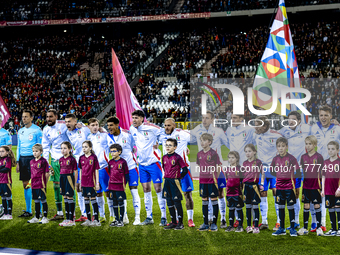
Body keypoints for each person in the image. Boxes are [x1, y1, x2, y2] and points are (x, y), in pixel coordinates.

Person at [191, 110, 229, 228]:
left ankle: (222, 218)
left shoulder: (218, 131)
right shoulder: (197, 130)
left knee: (220, 193)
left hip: (217, 168)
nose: (204, 120)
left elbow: (228, 144)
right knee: (206, 196)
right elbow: (187, 139)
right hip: (204, 171)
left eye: (207, 118)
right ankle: (208, 220)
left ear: (212, 119)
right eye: (203, 117)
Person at [129, 110, 167, 226]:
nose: (134, 120)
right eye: (133, 118)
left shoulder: (150, 127)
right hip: (142, 164)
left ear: (142, 118)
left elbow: (164, 132)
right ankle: (149, 217)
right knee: (146, 190)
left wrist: (159, 142)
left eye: (136, 118)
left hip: (154, 163)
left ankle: (163, 217)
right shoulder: (132, 129)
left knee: (158, 189)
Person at [159, 118, 195, 227]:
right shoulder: (161, 135)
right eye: (165, 125)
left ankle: (190, 219)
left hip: (184, 171)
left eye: (169, 125)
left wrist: (186, 148)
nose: (166, 127)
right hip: (170, 174)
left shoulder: (182, 133)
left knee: (187, 194)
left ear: (174, 125)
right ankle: (175, 220)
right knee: (171, 197)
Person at [106, 116, 141, 225]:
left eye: (111, 125)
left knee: (134, 190)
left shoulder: (127, 134)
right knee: (120, 193)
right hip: (118, 171)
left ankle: (137, 218)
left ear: (117, 125)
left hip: (131, 167)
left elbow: (134, 147)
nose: (109, 128)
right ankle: (124, 217)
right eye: (108, 126)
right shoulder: (108, 137)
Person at [310, 105, 340, 231]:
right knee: (316, 194)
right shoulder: (314, 127)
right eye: (321, 115)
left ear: (331, 116)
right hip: (317, 166)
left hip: (333, 167)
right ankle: (316, 223)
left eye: (326, 115)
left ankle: (332, 225)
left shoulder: (337, 128)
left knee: (333, 195)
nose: (323, 118)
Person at [279, 111, 310, 229]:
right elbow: (272, 134)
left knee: (309, 194)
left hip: (306, 167)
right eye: (289, 119)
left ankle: (316, 223)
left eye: (293, 119)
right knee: (295, 193)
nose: (291, 121)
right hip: (292, 169)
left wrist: (335, 123)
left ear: (299, 120)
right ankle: (296, 220)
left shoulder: (307, 128)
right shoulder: (283, 130)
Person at [225, 114, 255, 228]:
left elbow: (253, 144)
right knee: (235, 192)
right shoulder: (229, 129)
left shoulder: (249, 129)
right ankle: (238, 219)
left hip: (245, 166)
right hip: (233, 166)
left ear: (242, 119)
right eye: (232, 118)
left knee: (247, 193)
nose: (233, 120)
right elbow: (228, 144)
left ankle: (251, 219)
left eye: (235, 118)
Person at [253, 116, 282, 231]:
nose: (255, 127)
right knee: (262, 193)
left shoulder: (277, 136)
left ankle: (279, 221)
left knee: (276, 193)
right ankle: (264, 221)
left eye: (257, 125)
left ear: (265, 126)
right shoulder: (256, 135)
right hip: (262, 169)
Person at [42, 109, 69, 221]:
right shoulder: (46, 129)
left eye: (51, 116)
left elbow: (75, 126)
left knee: (68, 185)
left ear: (56, 117)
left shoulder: (63, 125)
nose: (48, 119)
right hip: (54, 160)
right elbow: (45, 146)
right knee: (56, 186)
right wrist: (46, 162)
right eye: (47, 117)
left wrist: (80, 125)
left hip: (66, 160)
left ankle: (70, 212)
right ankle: (59, 212)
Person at [271, 137, 301, 237]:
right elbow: (272, 171)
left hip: (289, 187)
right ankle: (282, 228)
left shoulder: (292, 158)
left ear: (287, 147)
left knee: (290, 208)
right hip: (279, 188)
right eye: (279, 146)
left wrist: (297, 187)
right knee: (281, 208)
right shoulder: (275, 159)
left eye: (283, 146)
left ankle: (292, 228)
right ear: (276, 147)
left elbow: (298, 173)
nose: (281, 148)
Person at [65, 113, 91, 222]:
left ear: (75, 121)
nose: (67, 124)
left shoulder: (84, 129)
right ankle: (84, 213)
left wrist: (84, 126)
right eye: (66, 122)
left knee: (89, 187)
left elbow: (95, 131)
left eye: (69, 121)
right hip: (76, 163)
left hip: (87, 162)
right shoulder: (67, 132)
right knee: (78, 187)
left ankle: (95, 212)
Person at [16, 110, 42, 218]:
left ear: (31, 118)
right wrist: (18, 161)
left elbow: (40, 146)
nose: (24, 118)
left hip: (34, 159)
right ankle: (28, 210)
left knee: (36, 184)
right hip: (23, 159)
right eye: (23, 117)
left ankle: (39, 211)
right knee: (25, 184)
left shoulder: (37, 130)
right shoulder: (20, 131)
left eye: (26, 117)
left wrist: (39, 160)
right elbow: (19, 146)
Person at [298, 135, 324, 236]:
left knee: (317, 205)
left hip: (316, 186)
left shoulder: (319, 157)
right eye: (306, 144)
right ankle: (305, 228)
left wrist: (322, 186)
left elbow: (323, 172)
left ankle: (318, 228)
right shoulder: (303, 157)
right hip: (306, 186)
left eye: (310, 144)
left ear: (315, 145)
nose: (308, 146)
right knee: (306, 205)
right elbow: (302, 171)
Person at [87, 118, 110, 223]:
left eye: (96, 124)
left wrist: (104, 130)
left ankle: (113, 215)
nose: (95, 127)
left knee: (108, 192)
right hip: (93, 170)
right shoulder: (88, 139)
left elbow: (112, 138)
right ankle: (102, 215)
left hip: (104, 167)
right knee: (98, 192)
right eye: (92, 125)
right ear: (89, 127)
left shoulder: (104, 135)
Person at [197, 133, 221, 232]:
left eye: (204, 140)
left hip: (212, 181)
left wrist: (217, 179)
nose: (202, 142)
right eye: (201, 140)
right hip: (203, 180)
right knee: (204, 200)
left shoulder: (214, 153)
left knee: (214, 199)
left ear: (210, 142)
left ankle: (214, 224)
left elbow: (218, 166)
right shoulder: (199, 154)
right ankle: (205, 223)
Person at [162, 138, 188, 230]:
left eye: (170, 145)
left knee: (177, 202)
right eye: (166, 145)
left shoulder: (177, 157)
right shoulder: (164, 157)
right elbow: (165, 169)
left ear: (175, 147)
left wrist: (178, 177)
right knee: (169, 201)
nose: (167, 147)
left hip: (175, 182)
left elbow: (185, 169)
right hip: (167, 181)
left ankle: (180, 223)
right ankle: (173, 222)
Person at [242, 144, 264, 234]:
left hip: (255, 186)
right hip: (246, 186)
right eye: (246, 151)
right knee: (248, 206)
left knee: (255, 206)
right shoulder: (244, 163)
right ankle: (248, 226)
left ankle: (256, 226)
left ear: (254, 152)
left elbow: (263, 173)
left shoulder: (258, 162)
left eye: (249, 151)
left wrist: (262, 184)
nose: (247, 153)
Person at [79, 141, 100, 227]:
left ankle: (96, 220)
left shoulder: (94, 157)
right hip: (84, 182)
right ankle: (88, 219)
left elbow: (96, 170)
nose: (84, 149)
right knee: (86, 200)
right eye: (83, 147)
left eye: (86, 147)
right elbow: (80, 170)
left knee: (93, 199)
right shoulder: (81, 158)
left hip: (92, 182)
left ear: (90, 148)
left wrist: (97, 183)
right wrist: (80, 182)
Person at [27, 144, 49, 224]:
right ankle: (36, 217)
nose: (35, 153)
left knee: (43, 200)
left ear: (41, 152)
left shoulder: (43, 161)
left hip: (41, 185)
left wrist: (44, 183)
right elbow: (32, 174)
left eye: (36, 151)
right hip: (34, 185)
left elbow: (47, 173)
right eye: (33, 151)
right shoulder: (31, 161)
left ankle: (45, 217)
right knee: (36, 201)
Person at [107, 144, 129, 227]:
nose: (112, 153)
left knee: (121, 202)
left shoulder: (123, 162)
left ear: (119, 152)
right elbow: (110, 173)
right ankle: (116, 220)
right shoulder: (110, 162)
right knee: (114, 203)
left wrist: (124, 185)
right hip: (112, 186)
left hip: (120, 186)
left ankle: (121, 220)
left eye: (114, 151)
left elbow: (126, 174)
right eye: (111, 151)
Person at [321, 141, 340, 236]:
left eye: (333, 149)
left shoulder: (339, 162)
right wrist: (323, 190)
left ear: (338, 150)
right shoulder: (326, 162)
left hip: (337, 190)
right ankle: (333, 229)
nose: (330, 151)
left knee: (338, 208)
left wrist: (339, 189)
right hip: (328, 190)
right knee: (331, 208)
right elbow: (323, 176)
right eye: (329, 149)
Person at [58, 142, 78, 227]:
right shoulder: (61, 159)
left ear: (70, 149)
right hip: (62, 178)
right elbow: (61, 170)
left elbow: (75, 172)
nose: (63, 150)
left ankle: (71, 219)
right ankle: (67, 218)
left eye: (65, 148)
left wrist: (75, 183)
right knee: (65, 197)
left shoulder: (72, 159)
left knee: (70, 197)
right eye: (61, 148)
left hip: (69, 178)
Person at [225, 151, 244, 232]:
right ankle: (231, 226)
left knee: (239, 209)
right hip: (229, 193)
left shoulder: (240, 169)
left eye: (233, 157)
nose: (231, 159)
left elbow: (242, 181)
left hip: (237, 193)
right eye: (229, 158)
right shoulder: (227, 169)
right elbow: (227, 180)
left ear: (237, 159)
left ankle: (240, 226)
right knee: (231, 209)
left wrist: (241, 191)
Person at [0, 145, 15, 220]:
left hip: (6, 182)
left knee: (8, 198)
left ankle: (9, 214)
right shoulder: (0, 160)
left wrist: (2, 167)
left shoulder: (8, 159)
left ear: (7, 152)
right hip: (0, 182)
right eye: (0, 151)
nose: (1, 153)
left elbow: (7, 169)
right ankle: (5, 213)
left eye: (2, 151)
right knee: (3, 198)